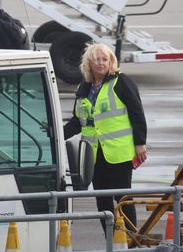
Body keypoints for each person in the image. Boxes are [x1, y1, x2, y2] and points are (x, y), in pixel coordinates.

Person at [63, 43, 147, 234]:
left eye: (105, 59)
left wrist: (140, 143)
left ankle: (130, 243)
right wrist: (57, 134)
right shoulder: (83, 88)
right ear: (89, 64)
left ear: (111, 62)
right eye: (96, 60)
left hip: (118, 152)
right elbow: (79, 121)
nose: (101, 63)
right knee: (102, 199)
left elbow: (137, 112)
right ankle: (112, 240)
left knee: (123, 198)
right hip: (94, 154)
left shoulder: (121, 82)